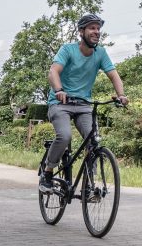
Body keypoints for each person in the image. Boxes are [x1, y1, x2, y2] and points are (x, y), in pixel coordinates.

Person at [40, 13, 128, 193]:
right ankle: (48, 173)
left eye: (98, 29)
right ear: (81, 32)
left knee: (93, 141)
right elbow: (53, 72)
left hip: (83, 105)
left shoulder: (100, 53)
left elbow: (113, 75)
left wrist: (121, 95)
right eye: (92, 28)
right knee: (64, 136)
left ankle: (89, 184)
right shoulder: (68, 50)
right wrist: (58, 90)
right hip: (60, 103)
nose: (96, 32)